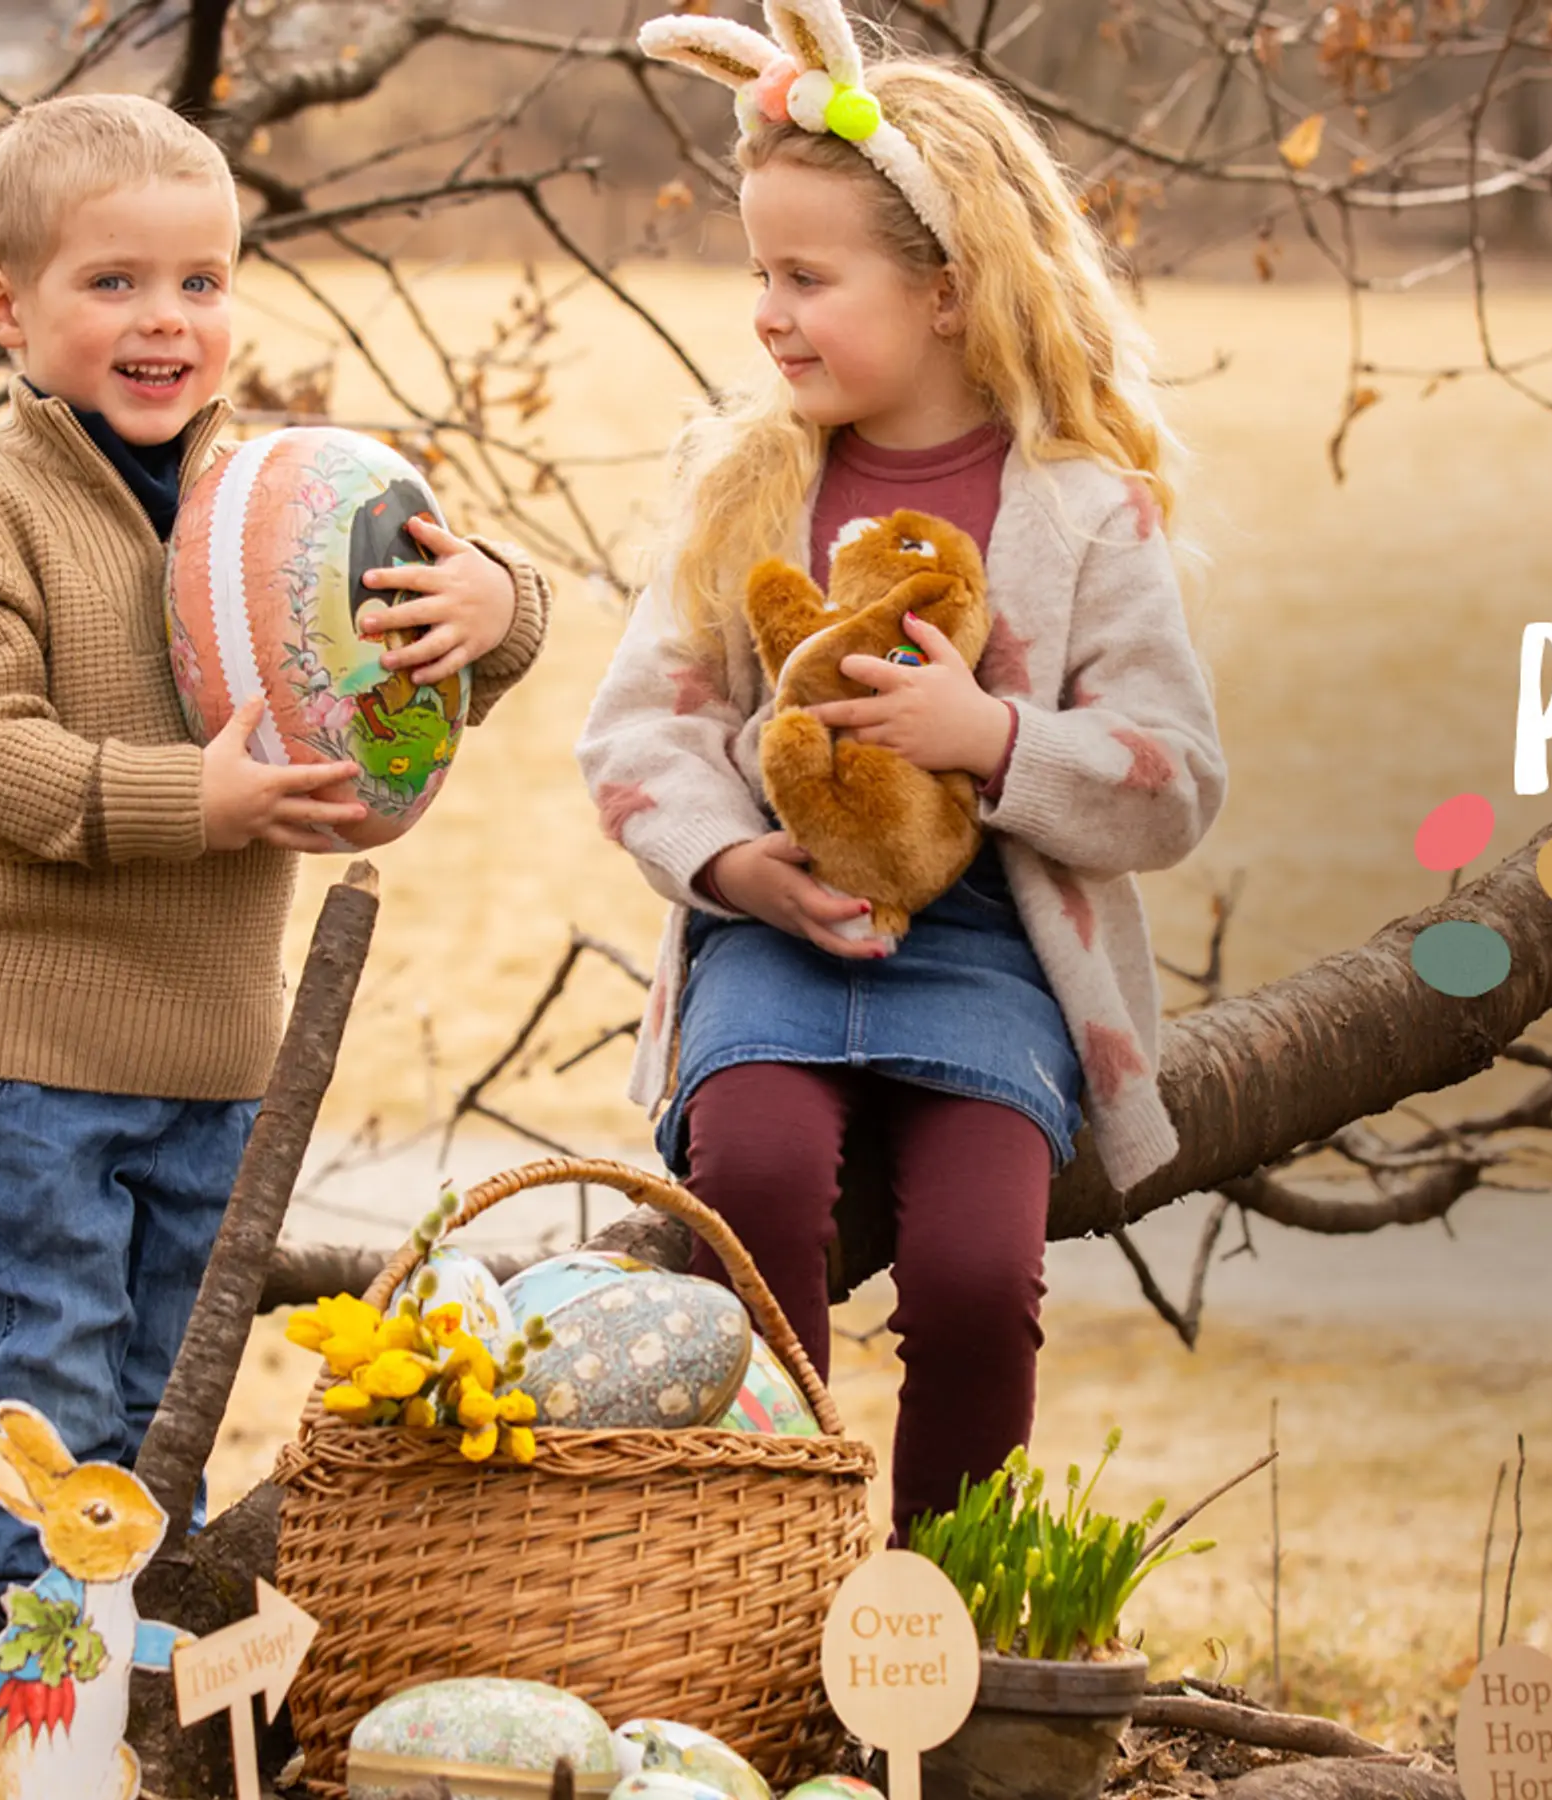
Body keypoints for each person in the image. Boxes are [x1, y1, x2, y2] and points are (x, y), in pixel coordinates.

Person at [0, 92, 551, 1662]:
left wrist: (489, 603)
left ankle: (136, 1637)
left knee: (174, 1375)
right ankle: (26, 1656)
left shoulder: (281, 501)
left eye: (201, 281)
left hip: (214, 1057)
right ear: (7, 309)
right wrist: (204, 794)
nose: (164, 321)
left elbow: (398, 674)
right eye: (112, 283)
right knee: (49, 1363)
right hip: (27, 1063)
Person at [581, 0, 1225, 1537]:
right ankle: (760, 1573)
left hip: (995, 956)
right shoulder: (749, 486)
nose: (768, 314)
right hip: (773, 936)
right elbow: (638, 732)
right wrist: (739, 865)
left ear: (946, 292)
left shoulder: (1083, 513)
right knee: (758, 1164)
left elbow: (1176, 775)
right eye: (761, 275)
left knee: (974, 1278)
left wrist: (991, 740)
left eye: (808, 278)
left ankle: (936, 1633)